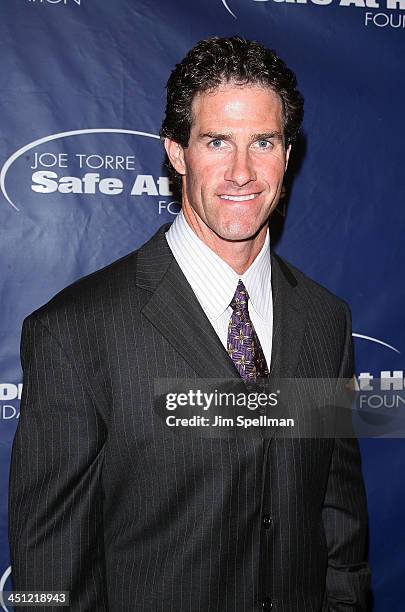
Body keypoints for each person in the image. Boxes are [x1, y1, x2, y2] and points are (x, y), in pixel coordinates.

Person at [9, 36, 370, 611]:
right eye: (217, 141)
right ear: (177, 153)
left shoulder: (325, 319)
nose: (242, 172)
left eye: (264, 142)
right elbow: (48, 570)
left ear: (287, 153)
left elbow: (338, 515)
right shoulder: (74, 330)